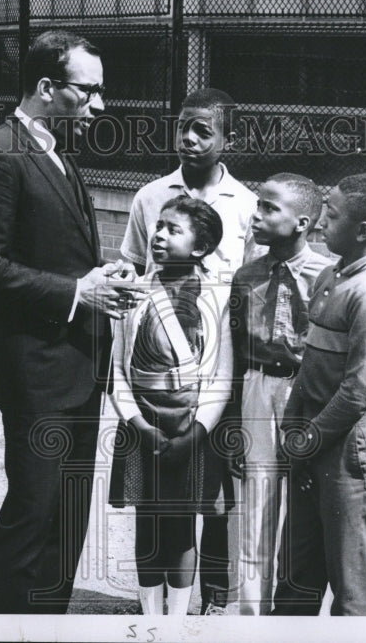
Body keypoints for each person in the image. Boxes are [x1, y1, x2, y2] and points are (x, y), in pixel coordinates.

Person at [0, 30, 138, 614]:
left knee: (67, 521)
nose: (99, 106)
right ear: (44, 88)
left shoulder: (59, 154)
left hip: (78, 370)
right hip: (37, 375)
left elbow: (53, 254)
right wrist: (75, 292)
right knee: (34, 516)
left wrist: (101, 277)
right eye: (88, 92)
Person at [119, 87, 265, 614]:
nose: (188, 138)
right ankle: (158, 609)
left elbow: (255, 288)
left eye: (203, 129)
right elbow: (134, 274)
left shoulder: (249, 206)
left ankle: (214, 599)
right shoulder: (151, 196)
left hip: (219, 366)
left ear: (230, 138)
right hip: (161, 370)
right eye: (182, 126)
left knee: (215, 495)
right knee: (160, 494)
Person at [272, 173, 366, 616]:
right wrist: (294, 430)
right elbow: (310, 368)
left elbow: (358, 390)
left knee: (348, 584)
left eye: (331, 214)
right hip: (315, 433)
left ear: (362, 231)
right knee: (295, 571)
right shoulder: (331, 275)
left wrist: (309, 438)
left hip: (349, 445)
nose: (319, 223)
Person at [107, 196, 233, 616]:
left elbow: (220, 379)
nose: (158, 235)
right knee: (147, 524)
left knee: (181, 529)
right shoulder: (136, 292)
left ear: (200, 248)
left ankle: (176, 623)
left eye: (173, 230)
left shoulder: (216, 297)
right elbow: (118, 371)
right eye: (158, 226)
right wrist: (139, 423)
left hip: (192, 429)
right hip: (142, 425)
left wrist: (196, 433)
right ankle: (150, 618)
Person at [225, 173, 330, 615]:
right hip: (257, 386)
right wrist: (232, 416)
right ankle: (251, 619)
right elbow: (233, 348)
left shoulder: (326, 275)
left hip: (303, 392)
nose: (257, 215)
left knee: (305, 506)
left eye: (270, 208)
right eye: (258, 206)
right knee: (256, 504)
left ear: (302, 221)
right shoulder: (247, 275)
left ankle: (294, 616)